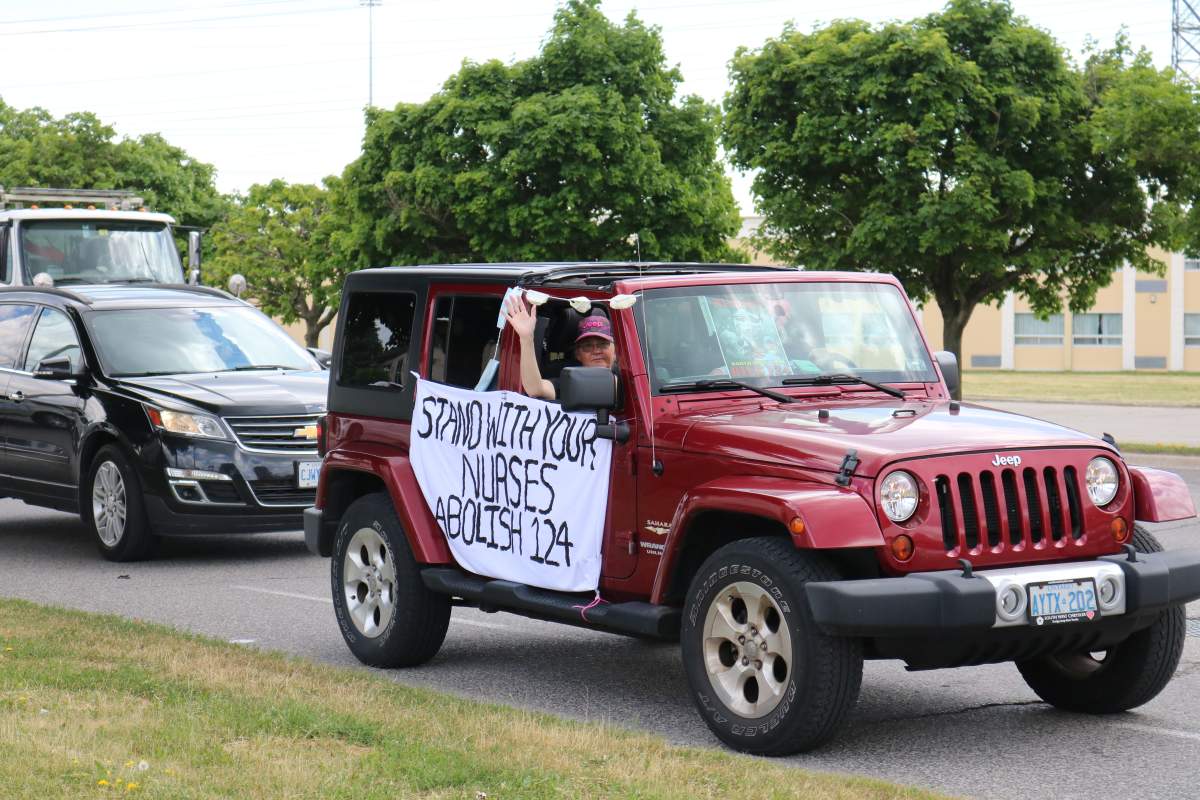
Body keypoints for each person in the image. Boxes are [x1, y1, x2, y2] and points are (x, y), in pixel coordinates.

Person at [504, 293, 616, 400]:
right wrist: (526, 338)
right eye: (587, 346)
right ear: (578, 355)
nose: (596, 351)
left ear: (615, 350)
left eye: (603, 344)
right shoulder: (571, 382)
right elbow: (535, 389)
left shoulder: (630, 379)